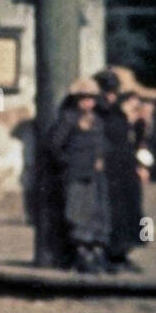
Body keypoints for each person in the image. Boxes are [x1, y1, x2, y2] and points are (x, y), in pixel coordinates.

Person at [48, 77, 109, 274]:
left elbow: (101, 143)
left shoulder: (98, 121)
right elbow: (55, 145)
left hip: (94, 175)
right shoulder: (68, 119)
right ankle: (80, 254)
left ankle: (95, 251)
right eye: (83, 98)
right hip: (75, 174)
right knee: (77, 213)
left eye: (91, 98)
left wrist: (100, 158)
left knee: (95, 212)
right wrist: (69, 162)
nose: (87, 103)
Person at [95, 68, 145, 274]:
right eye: (106, 91)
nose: (110, 95)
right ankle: (108, 256)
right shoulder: (97, 115)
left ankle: (123, 254)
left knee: (130, 212)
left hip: (126, 169)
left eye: (113, 91)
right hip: (108, 171)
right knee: (110, 214)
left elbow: (130, 140)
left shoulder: (118, 113)